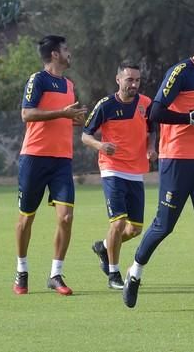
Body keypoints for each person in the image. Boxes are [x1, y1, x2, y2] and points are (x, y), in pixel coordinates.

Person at [121, 23, 194, 316]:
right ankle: (135, 271)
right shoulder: (180, 72)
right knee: (164, 226)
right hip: (177, 160)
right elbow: (156, 112)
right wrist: (192, 117)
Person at [13, 35, 87, 295]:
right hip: (34, 157)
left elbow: (64, 117)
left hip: (62, 161)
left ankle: (56, 274)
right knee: (26, 219)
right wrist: (63, 113)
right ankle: (21, 270)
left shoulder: (69, 84)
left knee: (66, 217)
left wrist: (76, 118)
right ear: (55, 54)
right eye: (66, 49)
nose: (69, 53)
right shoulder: (38, 80)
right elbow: (27, 114)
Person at [82, 64, 157, 290]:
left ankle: (104, 247)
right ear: (118, 79)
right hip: (112, 169)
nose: (133, 84)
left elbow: (152, 129)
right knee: (118, 223)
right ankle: (114, 274)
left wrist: (151, 147)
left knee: (134, 229)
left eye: (137, 80)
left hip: (136, 171)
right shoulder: (106, 105)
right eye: (129, 80)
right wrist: (100, 145)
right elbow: (85, 136)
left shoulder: (146, 104)